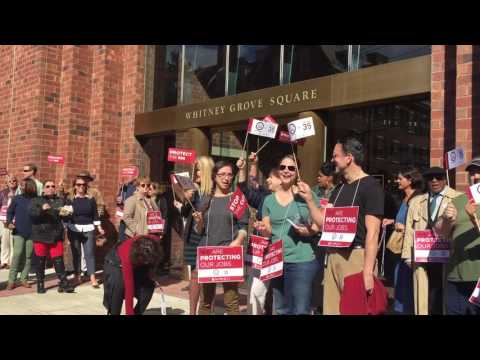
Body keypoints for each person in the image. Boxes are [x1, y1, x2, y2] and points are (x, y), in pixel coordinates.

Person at [297, 137, 385, 315]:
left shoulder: (371, 187)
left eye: (335, 155)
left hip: (356, 258)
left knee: (355, 310)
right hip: (334, 257)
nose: (332, 160)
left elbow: (373, 232)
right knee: (332, 310)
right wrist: (309, 200)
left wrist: (368, 272)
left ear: (349, 158)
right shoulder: (339, 189)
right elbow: (323, 222)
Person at [255, 155, 321, 315]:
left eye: (291, 168)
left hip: (302, 260)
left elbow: (319, 225)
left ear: (297, 172)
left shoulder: (307, 194)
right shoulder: (269, 200)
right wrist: (263, 229)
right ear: (278, 170)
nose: (286, 171)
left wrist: (309, 231)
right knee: (282, 309)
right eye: (283, 167)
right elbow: (268, 230)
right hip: (277, 260)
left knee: (300, 310)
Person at [401, 166, 462, 315]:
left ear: (445, 179)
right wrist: (407, 256)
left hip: (446, 258)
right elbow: (409, 228)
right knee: (422, 300)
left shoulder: (458, 198)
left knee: (443, 298)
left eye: (438, 177)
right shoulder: (416, 202)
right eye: (430, 178)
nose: (434, 181)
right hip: (422, 258)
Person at [193, 161, 249, 315]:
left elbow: (244, 226)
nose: (226, 178)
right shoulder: (206, 200)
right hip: (208, 254)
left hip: (229, 254)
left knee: (231, 301)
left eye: (230, 174)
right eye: (222, 174)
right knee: (205, 301)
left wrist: (237, 241)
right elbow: (199, 231)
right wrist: (199, 222)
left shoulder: (237, 198)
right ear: (214, 176)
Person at [433, 158, 480, 314]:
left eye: (479, 172)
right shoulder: (458, 200)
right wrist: (446, 219)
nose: (476, 177)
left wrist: (473, 218)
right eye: (472, 173)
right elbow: (440, 232)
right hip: (457, 276)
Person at [237, 152, 281, 315]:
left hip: (281, 254)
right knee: (255, 292)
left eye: (271, 177)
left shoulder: (294, 200)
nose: (267, 180)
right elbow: (245, 191)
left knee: (279, 299)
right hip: (260, 254)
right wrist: (243, 169)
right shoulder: (265, 198)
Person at [174, 155, 214, 315]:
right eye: (195, 169)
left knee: (205, 276)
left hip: (208, 235)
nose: (196, 172)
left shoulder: (212, 191)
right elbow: (185, 213)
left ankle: (205, 310)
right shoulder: (193, 189)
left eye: (198, 169)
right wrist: (185, 199)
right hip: (192, 237)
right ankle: (192, 312)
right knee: (195, 275)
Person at [383, 168, 424, 314]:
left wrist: (405, 228)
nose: (397, 181)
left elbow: (421, 226)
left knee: (407, 286)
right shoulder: (404, 198)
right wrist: (392, 221)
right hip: (400, 250)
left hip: (410, 251)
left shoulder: (418, 199)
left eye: (400, 179)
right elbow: (402, 220)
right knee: (399, 284)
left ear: (410, 180)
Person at [29, 180, 74, 294]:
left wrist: (67, 213)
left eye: (53, 186)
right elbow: (32, 214)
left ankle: (63, 282)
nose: (50, 188)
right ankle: (40, 284)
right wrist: (41, 209)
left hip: (55, 235)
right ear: (43, 189)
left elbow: (66, 216)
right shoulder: (36, 200)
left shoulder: (60, 200)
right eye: (47, 186)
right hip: (40, 234)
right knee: (40, 261)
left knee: (58, 260)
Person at [103, 235, 163, 315]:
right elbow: (129, 289)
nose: (147, 263)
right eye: (145, 261)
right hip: (115, 263)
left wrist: (151, 273)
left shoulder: (155, 243)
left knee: (149, 286)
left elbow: (154, 263)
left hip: (138, 260)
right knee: (118, 285)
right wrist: (129, 312)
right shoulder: (127, 256)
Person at [66, 176, 105, 288]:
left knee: (90, 254)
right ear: (75, 186)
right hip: (74, 229)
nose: (81, 187)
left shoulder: (91, 199)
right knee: (76, 254)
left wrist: (99, 227)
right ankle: (77, 277)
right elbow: (66, 214)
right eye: (78, 185)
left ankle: (92, 277)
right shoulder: (70, 200)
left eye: (83, 185)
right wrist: (65, 225)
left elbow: (95, 215)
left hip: (89, 228)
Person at [5, 179, 36, 290]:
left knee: (28, 256)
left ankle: (23, 278)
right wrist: (9, 222)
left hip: (32, 233)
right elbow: (10, 212)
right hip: (18, 231)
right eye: (21, 185)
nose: (21, 186)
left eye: (23, 185)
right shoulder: (17, 199)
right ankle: (11, 280)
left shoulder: (36, 200)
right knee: (17, 254)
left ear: (30, 186)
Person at [149, 182, 170, 272]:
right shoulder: (146, 199)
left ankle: (158, 267)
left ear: (155, 190)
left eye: (151, 189)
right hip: (148, 228)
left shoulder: (161, 200)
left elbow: (164, 216)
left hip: (157, 228)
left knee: (157, 248)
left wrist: (162, 230)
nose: (148, 190)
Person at [0, 175, 18, 269]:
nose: (12, 182)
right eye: (10, 181)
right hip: (3, 221)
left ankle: (12, 262)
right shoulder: (2, 193)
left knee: (13, 242)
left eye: (14, 180)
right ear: (6, 183)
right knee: (4, 241)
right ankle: (4, 261)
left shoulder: (19, 193)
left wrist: (14, 197)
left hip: (15, 221)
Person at [116, 174, 138, 242]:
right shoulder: (123, 187)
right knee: (121, 240)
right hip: (123, 219)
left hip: (131, 219)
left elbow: (135, 203)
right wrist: (118, 200)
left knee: (129, 241)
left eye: (128, 176)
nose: (125, 177)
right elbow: (119, 203)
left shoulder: (135, 188)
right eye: (125, 175)